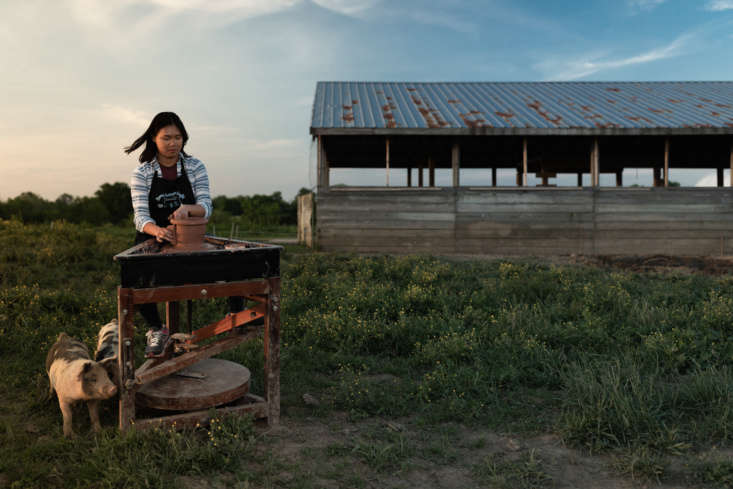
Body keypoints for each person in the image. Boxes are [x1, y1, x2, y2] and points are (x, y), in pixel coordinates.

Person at [125, 112, 243, 356]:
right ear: (154, 139)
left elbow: (206, 206)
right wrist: (157, 230)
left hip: (191, 237)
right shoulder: (143, 173)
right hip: (155, 237)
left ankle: (236, 313)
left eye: (178, 137)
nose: (173, 143)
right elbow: (140, 217)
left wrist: (188, 210)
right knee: (134, 273)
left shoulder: (194, 167)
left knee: (235, 260)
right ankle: (156, 329)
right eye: (166, 138)